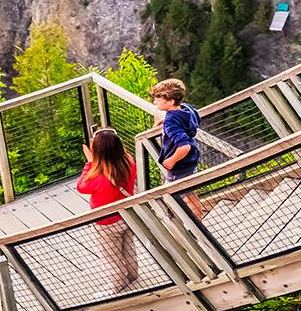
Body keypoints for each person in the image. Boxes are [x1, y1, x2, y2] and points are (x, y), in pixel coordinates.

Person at [77, 127, 139, 294]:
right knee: (128, 247)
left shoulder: (97, 177)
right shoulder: (128, 162)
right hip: (127, 215)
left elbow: (81, 187)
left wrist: (90, 162)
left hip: (106, 222)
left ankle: (118, 285)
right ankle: (133, 275)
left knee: (111, 256)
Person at [150, 77, 205, 219]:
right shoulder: (187, 109)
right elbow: (195, 119)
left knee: (170, 197)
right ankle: (198, 219)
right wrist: (168, 120)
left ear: (171, 101)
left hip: (179, 166)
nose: (154, 101)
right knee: (191, 193)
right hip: (191, 160)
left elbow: (184, 146)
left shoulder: (170, 122)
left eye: (158, 98)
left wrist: (171, 161)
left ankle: (183, 225)